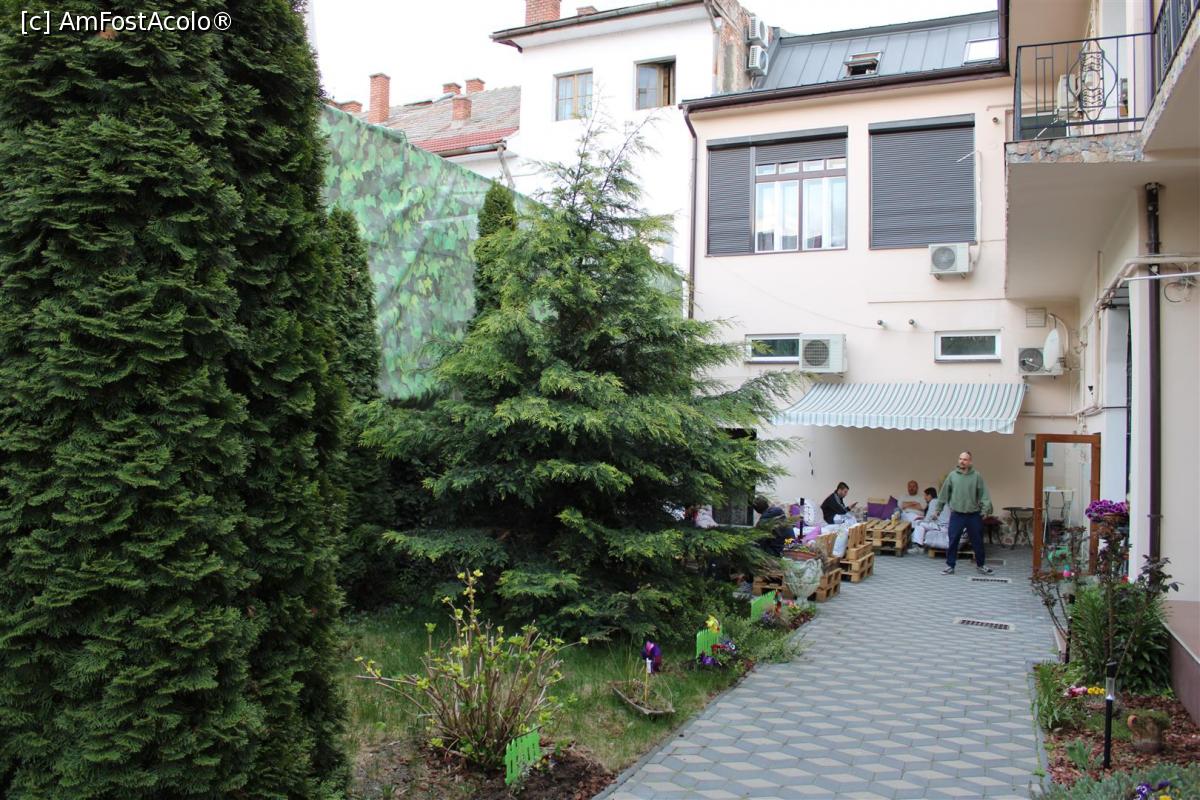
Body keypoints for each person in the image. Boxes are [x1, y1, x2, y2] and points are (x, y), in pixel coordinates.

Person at [937, 451, 994, 575]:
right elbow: (943, 494)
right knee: (953, 540)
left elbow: (983, 494)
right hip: (957, 514)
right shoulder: (952, 476)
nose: (962, 461)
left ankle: (981, 565)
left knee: (978, 541)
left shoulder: (976, 476)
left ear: (970, 462)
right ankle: (950, 566)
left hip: (973, 515)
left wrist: (985, 509)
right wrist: (938, 509)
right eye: (960, 459)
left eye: (965, 459)